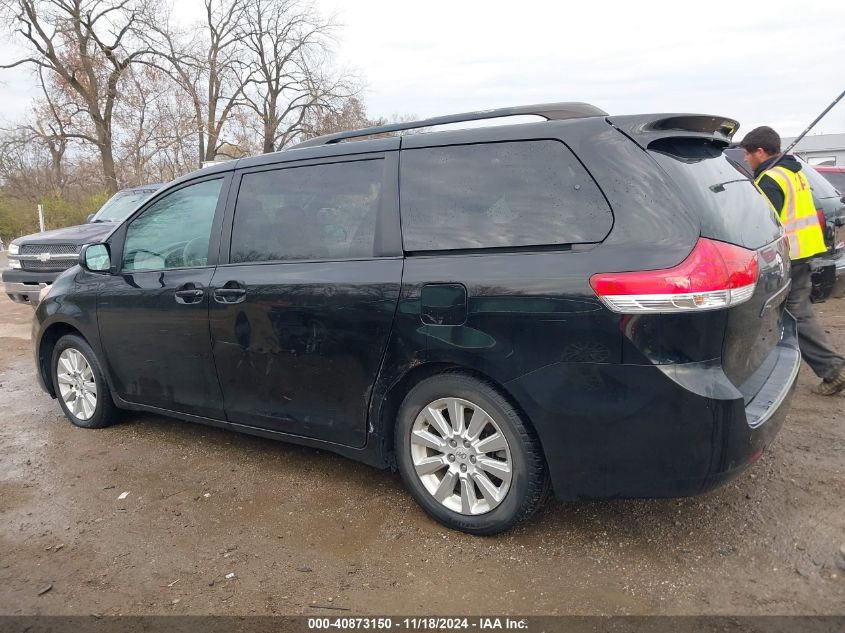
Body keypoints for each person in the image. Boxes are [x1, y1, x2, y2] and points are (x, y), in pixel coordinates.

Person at [740, 126, 845, 395]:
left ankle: (834, 370)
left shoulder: (769, 180)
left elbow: (764, 224)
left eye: (747, 154)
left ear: (760, 152)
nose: (745, 159)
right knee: (791, 313)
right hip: (804, 253)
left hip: (789, 257)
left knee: (795, 314)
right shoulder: (792, 173)